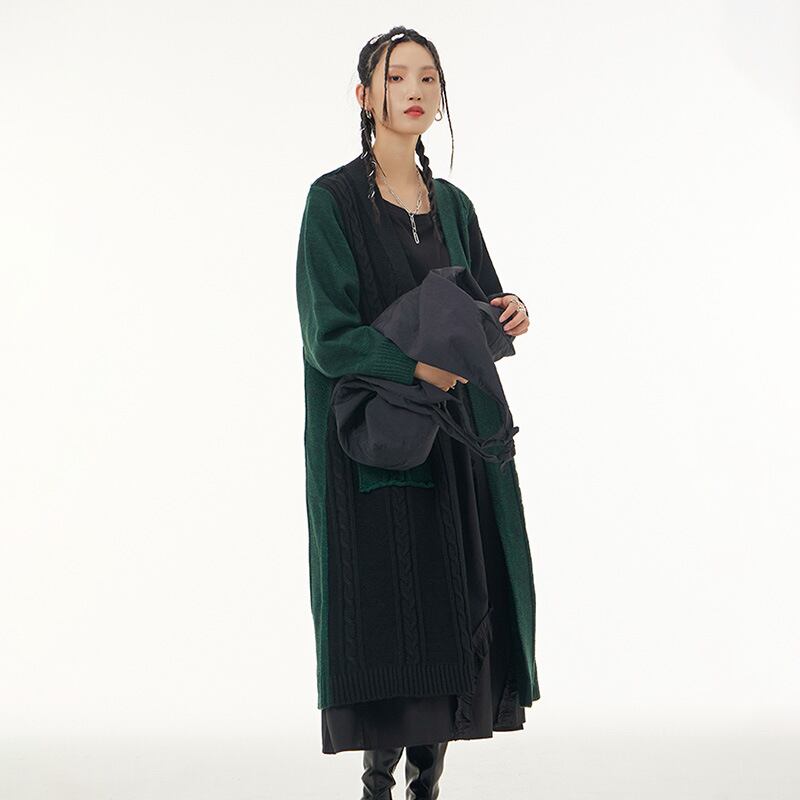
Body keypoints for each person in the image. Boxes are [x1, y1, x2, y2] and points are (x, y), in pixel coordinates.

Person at [294, 25, 540, 800]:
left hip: (453, 444)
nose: (413, 90)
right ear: (364, 95)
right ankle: (377, 785)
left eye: (427, 78)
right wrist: (414, 367)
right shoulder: (332, 202)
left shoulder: (454, 206)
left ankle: (426, 786)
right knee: (385, 618)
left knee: (448, 614)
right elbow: (328, 338)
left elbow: (480, 308)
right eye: (396, 76)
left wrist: (509, 308)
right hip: (370, 444)